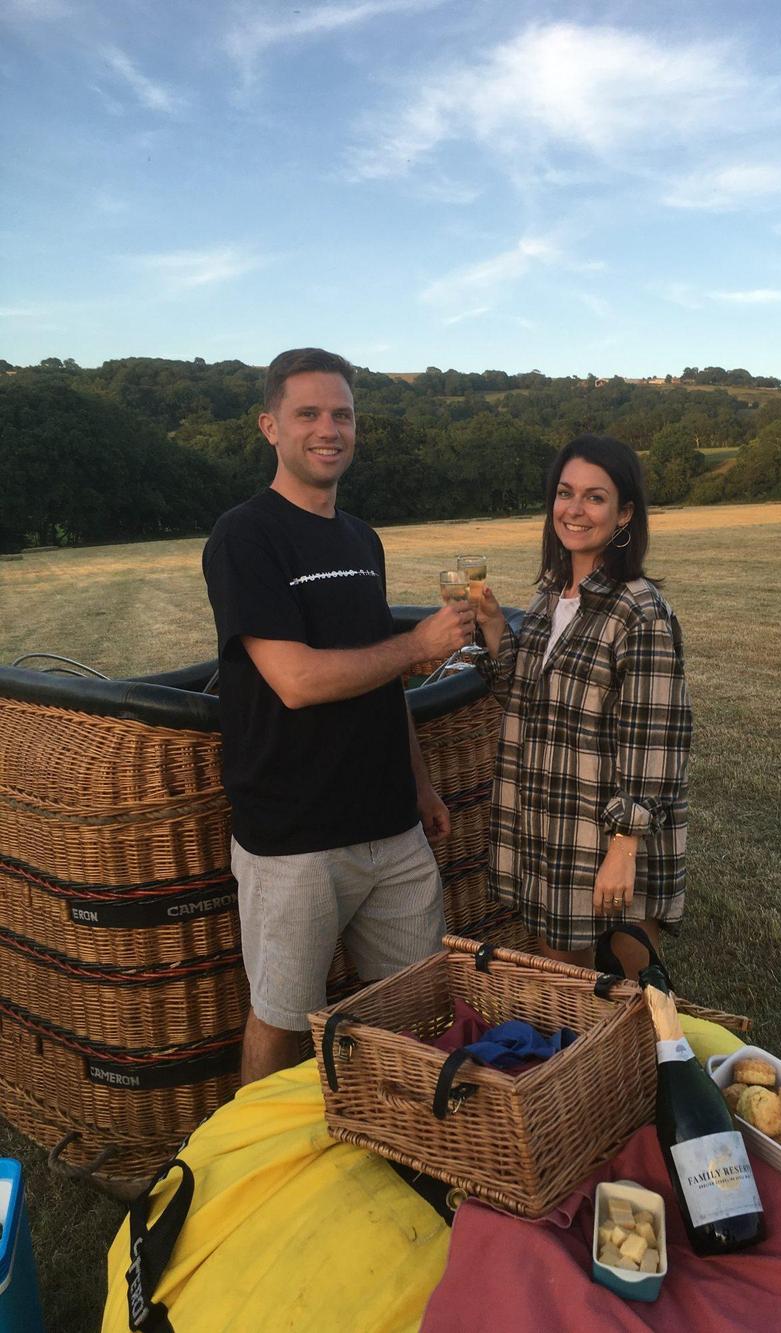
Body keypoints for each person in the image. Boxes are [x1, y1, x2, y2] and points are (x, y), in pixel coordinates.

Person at [203, 348, 474, 1083]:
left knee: (420, 1008)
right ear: (270, 426)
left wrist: (417, 785)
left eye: (343, 414)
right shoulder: (245, 535)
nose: (330, 429)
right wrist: (418, 645)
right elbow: (292, 679)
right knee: (281, 1017)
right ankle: (256, 1176)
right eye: (309, 413)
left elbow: (380, 675)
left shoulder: (361, 538)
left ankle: (405, 1146)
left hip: (391, 826)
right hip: (295, 838)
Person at [475, 434, 692, 970]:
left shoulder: (640, 611)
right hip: (556, 821)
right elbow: (525, 699)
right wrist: (496, 627)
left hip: (615, 831)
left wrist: (624, 848)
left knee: (633, 999)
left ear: (624, 515)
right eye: (565, 493)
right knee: (566, 987)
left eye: (595, 497)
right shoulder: (552, 594)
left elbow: (655, 740)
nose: (574, 509)